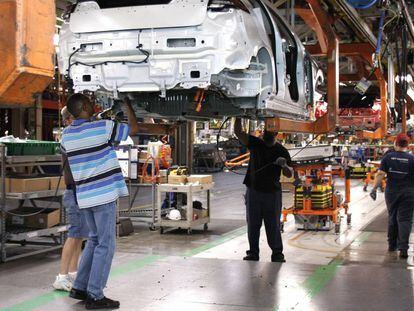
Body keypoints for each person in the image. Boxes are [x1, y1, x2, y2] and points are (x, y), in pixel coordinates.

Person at [62, 94, 138, 310]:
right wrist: (128, 105)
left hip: (84, 197)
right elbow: (133, 128)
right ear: (85, 106)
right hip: (103, 196)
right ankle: (95, 295)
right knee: (106, 244)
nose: (95, 105)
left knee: (94, 240)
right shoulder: (103, 127)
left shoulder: (66, 136)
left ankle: (80, 287)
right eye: (91, 103)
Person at [234, 119, 293, 263]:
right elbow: (238, 133)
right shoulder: (255, 143)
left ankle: (277, 253)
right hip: (254, 190)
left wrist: (284, 165)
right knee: (253, 224)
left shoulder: (282, 151)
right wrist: (238, 116)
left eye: (270, 131)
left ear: (276, 133)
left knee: (273, 224)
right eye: (265, 130)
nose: (266, 133)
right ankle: (253, 253)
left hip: (272, 193)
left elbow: (290, 174)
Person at [53, 107, 89, 292]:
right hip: (73, 192)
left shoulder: (73, 134)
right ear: (69, 119)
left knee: (80, 235)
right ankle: (61, 276)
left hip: (79, 192)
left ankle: (74, 272)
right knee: (74, 234)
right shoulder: (68, 135)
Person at [370, 133, 414, 259]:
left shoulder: (388, 157)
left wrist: (374, 188)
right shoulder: (412, 159)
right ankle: (403, 249)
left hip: (392, 192)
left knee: (393, 216)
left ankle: (392, 245)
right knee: (405, 220)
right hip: (409, 193)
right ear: (408, 145)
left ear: (395, 143)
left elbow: (380, 174)